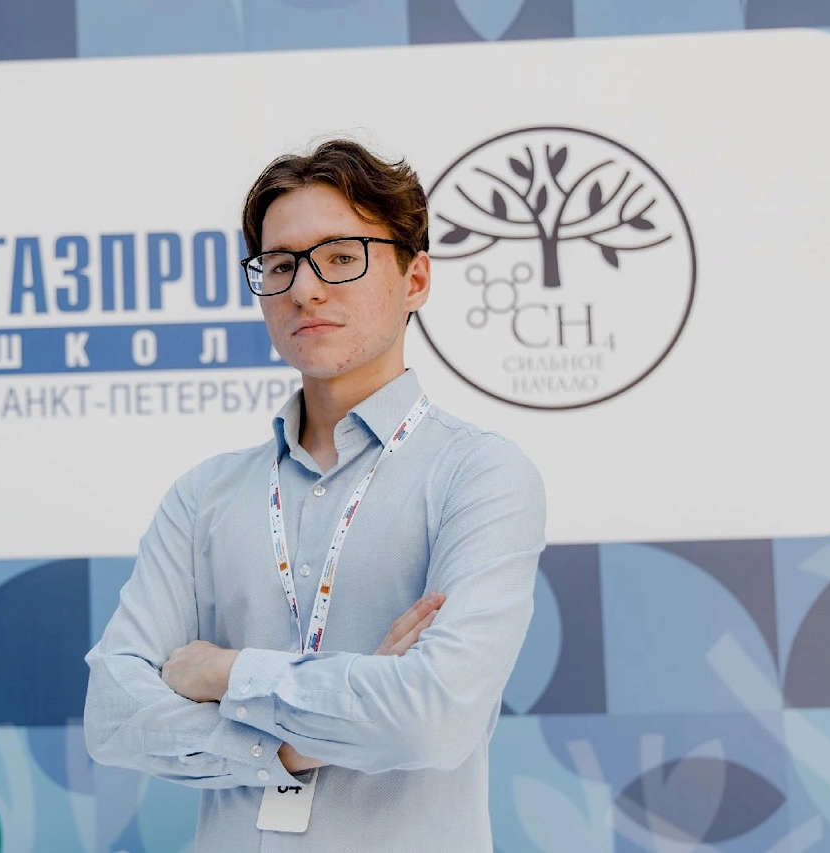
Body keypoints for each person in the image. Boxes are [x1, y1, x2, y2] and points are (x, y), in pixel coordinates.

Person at [84, 138, 546, 851]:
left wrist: (227, 672)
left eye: (339, 256)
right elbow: (114, 717)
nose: (305, 289)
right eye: (280, 265)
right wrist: (298, 744)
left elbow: (432, 718)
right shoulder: (203, 496)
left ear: (416, 278)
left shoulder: (479, 475)